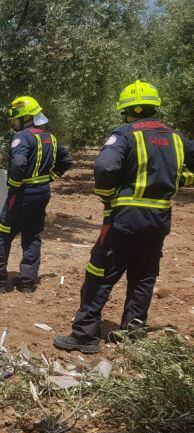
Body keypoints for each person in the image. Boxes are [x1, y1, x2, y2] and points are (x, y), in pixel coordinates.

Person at [54, 81, 194, 354]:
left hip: (125, 218)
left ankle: (84, 336)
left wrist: (107, 195)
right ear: (155, 106)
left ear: (127, 109)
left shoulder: (125, 134)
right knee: (143, 276)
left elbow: (106, 167)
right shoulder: (177, 138)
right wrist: (179, 180)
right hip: (159, 220)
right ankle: (132, 334)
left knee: (100, 272)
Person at [0, 96, 73, 293]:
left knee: (2, 235)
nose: (13, 124)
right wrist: (50, 177)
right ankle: (27, 282)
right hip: (43, 192)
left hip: (24, 193)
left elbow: (19, 163)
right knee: (32, 236)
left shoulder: (22, 137)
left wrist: (14, 184)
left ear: (26, 117)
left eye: (14, 120)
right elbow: (66, 159)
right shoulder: (49, 137)